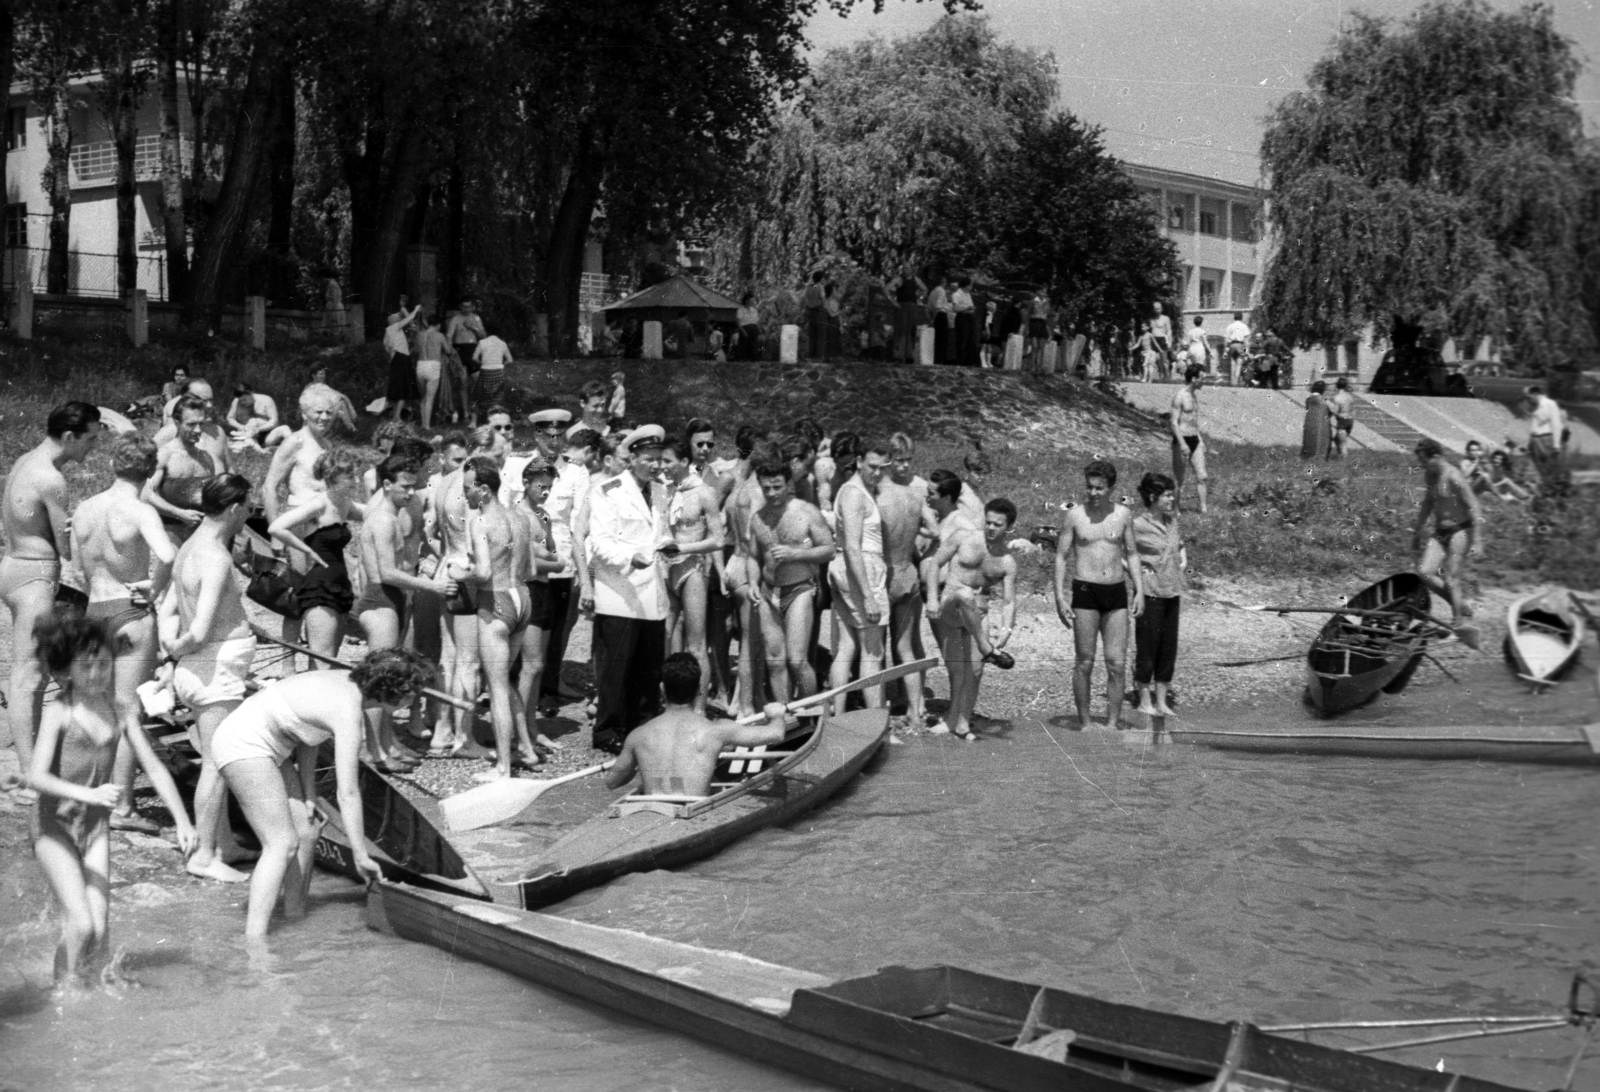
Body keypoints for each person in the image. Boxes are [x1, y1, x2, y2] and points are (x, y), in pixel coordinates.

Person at [24, 616, 197, 980]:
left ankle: (92, 993)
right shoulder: (60, 712)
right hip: (53, 826)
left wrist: (182, 820)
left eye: (103, 663)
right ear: (65, 670)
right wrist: (88, 792)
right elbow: (36, 777)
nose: (97, 672)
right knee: (82, 923)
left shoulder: (121, 711)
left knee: (100, 930)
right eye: (85, 666)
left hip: (94, 829)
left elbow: (155, 768)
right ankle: (63, 996)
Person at [215, 649, 433, 937]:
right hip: (243, 745)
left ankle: (294, 917)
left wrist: (309, 793)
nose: (414, 699)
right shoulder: (348, 709)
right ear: (393, 691)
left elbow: (310, 734)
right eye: (412, 693)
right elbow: (348, 793)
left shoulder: (349, 683)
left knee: (307, 830)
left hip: (271, 746)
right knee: (281, 844)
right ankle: (254, 944)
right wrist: (360, 854)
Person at [70, 434, 178, 835]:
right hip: (129, 610)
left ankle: (93, 793)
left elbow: (77, 562)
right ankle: (124, 807)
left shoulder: (84, 508)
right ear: (149, 471)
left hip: (95, 608)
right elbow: (167, 555)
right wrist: (153, 585)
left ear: (113, 464)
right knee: (128, 711)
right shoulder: (139, 509)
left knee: (99, 707)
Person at [160, 473, 259, 882]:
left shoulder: (189, 547)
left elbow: (166, 611)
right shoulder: (216, 556)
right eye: (250, 508)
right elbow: (199, 631)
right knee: (217, 764)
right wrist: (175, 652)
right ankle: (203, 856)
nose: (251, 514)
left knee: (213, 758)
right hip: (213, 672)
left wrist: (172, 648)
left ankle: (226, 844)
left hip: (205, 670)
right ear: (234, 510)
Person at [3, 402, 103, 779]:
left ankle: (38, 760)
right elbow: (65, 549)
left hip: (14, 567)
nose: (92, 447)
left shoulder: (25, 461)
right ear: (68, 436)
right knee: (28, 676)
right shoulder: (52, 479)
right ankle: (32, 771)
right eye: (89, 439)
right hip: (36, 575)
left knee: (30, 673)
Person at [358, 453, 455, 766]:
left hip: (393, 599)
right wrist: (431, 586)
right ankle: (375, 752)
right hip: (381, 601)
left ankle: (389, 744)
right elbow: (385, 573)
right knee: (378, 683)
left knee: (386, 682)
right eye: (406, 486)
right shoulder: (383, 520)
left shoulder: (393, 514)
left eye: (415, 486)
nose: (413, 492)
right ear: (387, 484)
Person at [588, 425, 670, 752]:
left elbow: (659, 535)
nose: (655, 466)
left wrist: (670, 547)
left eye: (659, 460)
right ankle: (607, 730)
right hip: (619, 592)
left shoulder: (662, 491)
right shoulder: (607, 491)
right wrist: (630, 557)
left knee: (648, 669)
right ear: (632, 457)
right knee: (615, 669)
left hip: (652, 593)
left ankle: (643, 729)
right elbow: (600, 544)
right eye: (649, 459)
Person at [604, 654, 789, 798]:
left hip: (652, 810)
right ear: (699, 691)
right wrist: (776, 714)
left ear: (662, 689)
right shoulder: (716, 730)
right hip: (693, 810)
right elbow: (776, 734)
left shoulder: (638, 735)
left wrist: (638, 759)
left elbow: (612, 782)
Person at [458, 456, 539, 779]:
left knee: (496, 687)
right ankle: (527, 749)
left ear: (483, 489)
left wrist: (458, 574)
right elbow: (532, 569)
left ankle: (503, 767)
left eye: (468, 489)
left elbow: (483, 572)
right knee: (505, 680)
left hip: (496, 601)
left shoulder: (480, 522)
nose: (465, 496)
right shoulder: (520, 517)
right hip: (523, 599)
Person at [1053, 460, 1144, 730]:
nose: (1093, 493)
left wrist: (1139, 590)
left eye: (1099, 489)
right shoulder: (1075, 516)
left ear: (1111, 488)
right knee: (1085, 660)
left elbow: (1133, 554)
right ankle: (1085, 722)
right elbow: (1060, 556)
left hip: (1116, 592)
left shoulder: (1123, 515)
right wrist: (1059, 596)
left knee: (1116, 663)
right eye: (1089, 487)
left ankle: (1112, 723)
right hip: (1085, 591)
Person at [925, 489, 1017, 740]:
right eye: (988, 522)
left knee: (974, 671)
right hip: (951, 605)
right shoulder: (963, 537)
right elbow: (935, 564)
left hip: (979, 615)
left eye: (997, 525)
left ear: (1008, 527)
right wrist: (932, 598)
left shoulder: (1007, 561)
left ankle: (961, 721)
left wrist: (1006, 630)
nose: (990, 528)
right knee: (965, 595)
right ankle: (987, 648)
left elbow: (1009, 602)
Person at [748, 456, 835, 707]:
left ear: (788, 485)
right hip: (767, 592)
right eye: (766, 488)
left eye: (777, 487)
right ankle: (785, 719)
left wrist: (795, 554)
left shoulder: (806, 511)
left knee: (797, 660)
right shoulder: (758, 518)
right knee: (775, 661)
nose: (772, 493)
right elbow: (753, 557)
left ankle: (815, 714)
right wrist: (753, 582)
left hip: (799, 590)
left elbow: (828, 550)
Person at [658, 437, 724, 705]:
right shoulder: (663, 491)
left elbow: (718, 539)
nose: (661, 466)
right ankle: (670, 704)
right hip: (665, 571)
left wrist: (684, 548)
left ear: (684, 462)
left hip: (692, 571)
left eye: (667, 461)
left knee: (696, 645)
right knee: (665, 639)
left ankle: (699, 709)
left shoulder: (703, 492)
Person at [828, 438, 891, 714]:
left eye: (882, 468)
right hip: (860, 569)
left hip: (849, 569)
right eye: (872, 466)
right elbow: (853, 545)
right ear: (859, 461)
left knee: (847, 647)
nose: (877, 473)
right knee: (872, 652)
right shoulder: (854, 493)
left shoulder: (856, 490)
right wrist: (869, 596)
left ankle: (837, 716)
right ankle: (874, 719)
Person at [879, 433, 933, 725]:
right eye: (899, 461)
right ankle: (910, 704)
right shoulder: (916, 492)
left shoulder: (878, 491)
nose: (904, 466)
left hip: (891, 572)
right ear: (889, 461)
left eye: (908, 460)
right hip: (907, 573)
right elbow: (934, 528)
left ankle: (913, 706)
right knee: (904, 646)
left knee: (899, 644)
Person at [515, 456, 566, 751]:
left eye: (549, 487)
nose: (545, 492)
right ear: (525, 483)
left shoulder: (543, 515)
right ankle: (521, 733)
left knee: (538, 665)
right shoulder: (517, 514)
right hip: (528, 590)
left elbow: (553, 553)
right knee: (531, 666)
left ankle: (531, 729)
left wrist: (547, 559)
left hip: (545, 591)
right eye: (540, 486)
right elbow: (526, 561)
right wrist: (549, 560)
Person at [1411, 438, 1483, 636]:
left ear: (1437, 456)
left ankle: (1458, 623)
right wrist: (1417, 531)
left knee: (1452, 578)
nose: (1422, 464)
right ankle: (1460, 605)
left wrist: (1477, 539)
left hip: (1461, 529)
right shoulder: (1430, 475)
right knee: (1424, 572)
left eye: (1424, 460)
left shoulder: (1453, 476)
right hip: (1440, 531)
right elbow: (1427, 503)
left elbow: (1474, 505)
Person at [1131, 473, 1184, 719]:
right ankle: (1144, 700)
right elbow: (1123, 553)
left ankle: (1161, 702)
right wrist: (1138, 575)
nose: (1172, 499)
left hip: (1172, 591)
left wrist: (1183, 557)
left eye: (1172, 494)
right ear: (1153, 497)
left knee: (1167, 649)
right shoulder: (1137, 525)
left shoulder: (1173, 521)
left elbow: (1179, 545)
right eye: (1167, 495)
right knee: (1147, 648)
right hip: (1149, 593)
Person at [144, 395, 228, 544]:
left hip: (199, 534)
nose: (198, 430)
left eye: (201, 424)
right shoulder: (165, 455)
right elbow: (146, 494)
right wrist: (179, 513)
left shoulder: (208, 458)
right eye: (191, 424)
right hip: (168, 531)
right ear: (177, 423)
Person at [1169, 366, 1209, 514]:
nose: (1204, 381)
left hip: (1194, 439)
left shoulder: (1193, 395)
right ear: (1194, 379)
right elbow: (1174, 422)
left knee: (1202, 476)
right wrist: (1182, 444)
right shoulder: (1180, 396)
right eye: (1202, 378)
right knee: (1179, 479)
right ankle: (1176, 509)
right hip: (1182, 440)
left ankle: (1204, 509)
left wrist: (1200, 439)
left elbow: (1193, 420)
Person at [383, 303, 422, 422]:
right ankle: (397, 416)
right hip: (401, 360)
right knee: (403, 388)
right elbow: (409, 318)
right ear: (393, 321)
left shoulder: (390, 334)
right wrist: (416, 309)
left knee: (398, 387)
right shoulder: (393, 328)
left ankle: (396, 414)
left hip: (398, 359)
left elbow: (393, 348)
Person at [410, 312, 449, 430]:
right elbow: (448, 351)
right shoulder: (440, 335)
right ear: (438, 324)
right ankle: (426, 425)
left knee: (423, 398)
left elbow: (416, 351)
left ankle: (423, 423)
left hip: (421, 365)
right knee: (430, 398)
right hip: (433, 365)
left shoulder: (419, 335)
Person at [1522, 385, 1565, 479]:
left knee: (1547, 467)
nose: (1529, 400)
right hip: (1535, 440)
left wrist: (1556, 444)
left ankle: (1550, 486)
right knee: (1536, 468)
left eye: (1529, 397)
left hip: (1545, 439)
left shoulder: (1550, 404)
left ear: (1535, 394)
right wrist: (1530, 443)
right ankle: (1541, 486)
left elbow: (1556, 424)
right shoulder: (1535, 406)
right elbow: (1534, 425)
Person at [225, 383, 279, 452]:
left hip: (267, 436)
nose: (242, 403)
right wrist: (240, 426)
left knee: (285, 429)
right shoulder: (236, 402)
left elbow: (274, 421)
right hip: (247, 436)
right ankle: (261, 450)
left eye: (244, 400)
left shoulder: (266, 400)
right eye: (240, 400)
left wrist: (258, 429)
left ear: (251, 393)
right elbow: (229, 418)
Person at [473, 323, 514, 411]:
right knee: (498, 393)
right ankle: (495, 412)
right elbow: (510, 360)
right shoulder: (502, 343)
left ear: (487, 331)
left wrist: (481, 363)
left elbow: (474, 358)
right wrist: (502, 364)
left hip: (485, 370)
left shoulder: (482, 342)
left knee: (483, 393)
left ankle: (483, 412)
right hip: (498, 370)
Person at [891, 272, 924, 364]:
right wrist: (892, 301)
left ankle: (909, 354)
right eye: (904, 268)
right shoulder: (899, 279)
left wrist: (920, 298)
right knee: (901, 329)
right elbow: (886, 288)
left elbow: (925, 289)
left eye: (907, 267)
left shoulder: (916, 280)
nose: (906, 270)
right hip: (902, 305)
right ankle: (899, 354)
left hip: (912, 306)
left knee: (911, 330)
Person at [951, 277, 979, 368]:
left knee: (971, 340)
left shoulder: (968, 295)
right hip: (962, 318)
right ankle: (960, 362)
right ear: (966, 285)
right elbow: (955, 308)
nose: (971, 287)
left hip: (970, 317)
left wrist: (972, 310)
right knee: (962, 340)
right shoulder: (957, 294)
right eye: (970, 285)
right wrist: (966, 308)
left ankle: (970, 362)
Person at [1301, 380, 1332, 460]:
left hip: (1309, 422)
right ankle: (1319, 456)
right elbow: (1331, 409)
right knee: (1320, 438)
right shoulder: (1323, 400)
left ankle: (1307, 454)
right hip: (1321, 423)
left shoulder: (1309, 399)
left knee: (1309, 438)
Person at [802, 271, 827, 360]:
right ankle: (819, 356)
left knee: (812, 335)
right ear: (820, 278)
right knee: (821, 335)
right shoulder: (820, 287)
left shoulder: (809, 288)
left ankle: (811, 355)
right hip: (819, 311)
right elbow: (823, 299)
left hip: (810, 312)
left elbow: (804, 299)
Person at [927, 276, 952, 366]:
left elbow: (928, 307)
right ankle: (940, 360)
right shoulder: (941, 291)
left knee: (937, 338)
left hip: (935, 315)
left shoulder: (932, 292)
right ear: (943, 282)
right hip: (941, 314)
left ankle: (936, 359)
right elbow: (938, 305)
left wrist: (931, 318)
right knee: (942, 339)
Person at [1329, 377, 1355, 460]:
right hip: (1350, 420)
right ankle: (1339, 456)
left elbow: (1336, 412)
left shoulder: (1337, 398)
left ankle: (1344, 461)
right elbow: (1352, 410)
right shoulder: (1350, 396)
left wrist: (1329, 405)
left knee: (1342, 444)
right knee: (1337, 439)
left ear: (1336, 386)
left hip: (1342, 421)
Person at [1223, 312, 1251, 386]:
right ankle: (1236, 382)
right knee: (1239, 364)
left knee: (1232, 364)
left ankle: (1232, 382)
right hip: (1240, 344)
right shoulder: (1244, 326)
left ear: (1234, 317)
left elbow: (1226, 339)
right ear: (1241, 317)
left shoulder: (1230, 326)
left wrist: (1225, 351)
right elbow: (1246, 341)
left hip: (1232, 345)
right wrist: (1246, 352)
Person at [1149, 302, 1173, 371]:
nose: (1157, 310)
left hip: (1162, 339)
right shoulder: (1152, 319)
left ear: (1161, 309)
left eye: (1158, 309)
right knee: (1154, 359)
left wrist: (1169, 342)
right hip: (1154, 340)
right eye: (1155, 309)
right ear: (1153, 310)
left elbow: (1169, 330)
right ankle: (1157, 376)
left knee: (1164, 359)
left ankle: (1167, 377)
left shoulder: (1165, 318)